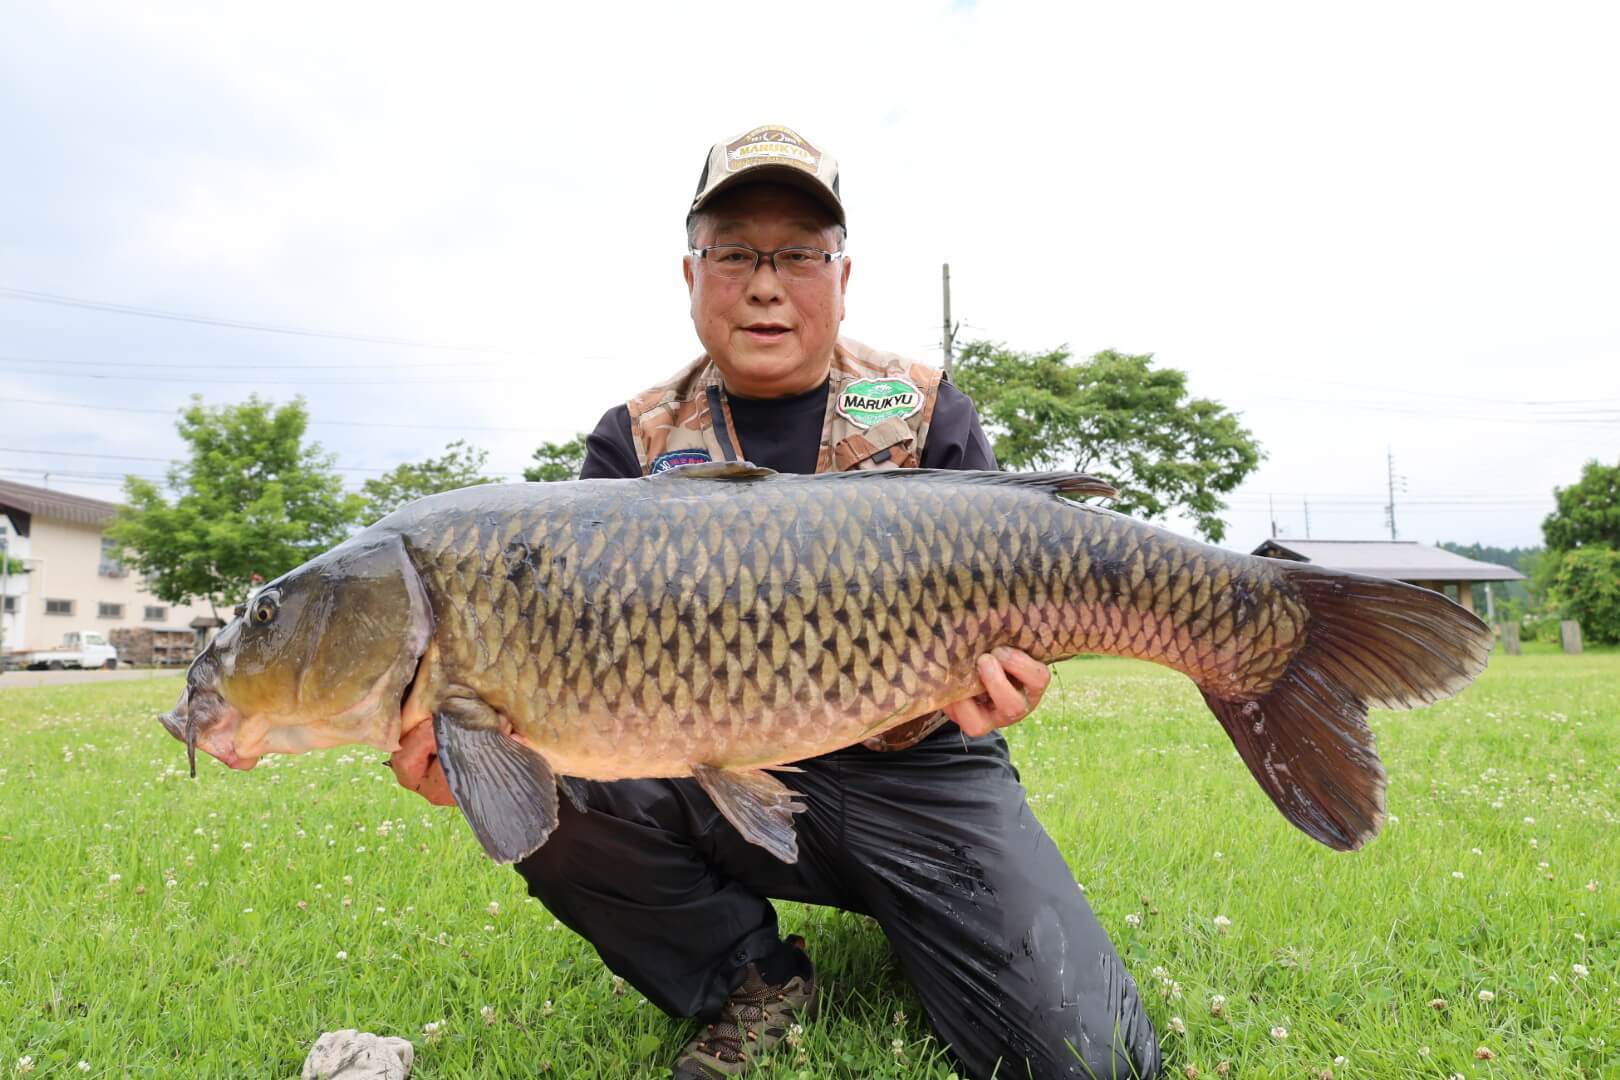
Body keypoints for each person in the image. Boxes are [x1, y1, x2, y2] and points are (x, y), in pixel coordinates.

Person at [389, 125, 1161, 1079]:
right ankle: (745, 971)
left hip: (919, 769)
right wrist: (479, 756)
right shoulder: (632, 441)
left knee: (1093, 1063)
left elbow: (1014, 610)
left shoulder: (921, 409)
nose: (765, 283)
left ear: (843, 275)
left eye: (798, 254)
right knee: (557, 789)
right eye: (736, 254)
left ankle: (942, 915)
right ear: (690, 273)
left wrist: (1006, 682)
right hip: (710, 769)